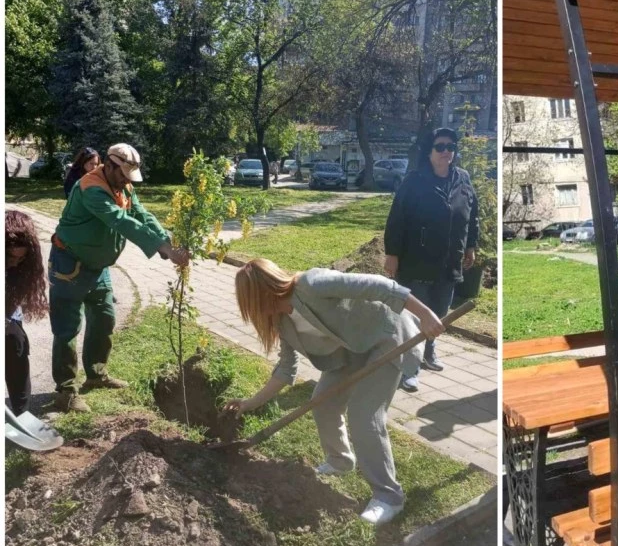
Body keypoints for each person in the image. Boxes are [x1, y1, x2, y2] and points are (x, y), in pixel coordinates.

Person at [224, 258, 445, 525]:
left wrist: (425, 314)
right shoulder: (282, 322)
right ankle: (340, 460)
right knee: (322, 402)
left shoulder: (311, 284)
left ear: (261, 295)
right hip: (349, 351)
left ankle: (389, 496)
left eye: (251, 304)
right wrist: (250, 403)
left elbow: (379, 286)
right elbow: (285, 370)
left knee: (365, 415)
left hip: (386, 337)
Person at [49, 143, 189, 412]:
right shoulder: (90, 187)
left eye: (129, 176)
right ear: (109, 165)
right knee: (67, 327)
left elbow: (141, 215)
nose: (127, 181)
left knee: (104, 318)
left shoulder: (123, 185)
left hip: (97, 266)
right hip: (69, 264)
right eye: (122, 174)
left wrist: (165, 242)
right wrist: (164, 249)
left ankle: (96, 375)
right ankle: (66, 390)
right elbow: (121, 221)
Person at [383, 128, 478, 393]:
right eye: (440, 146)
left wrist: (470, 246)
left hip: (450, 261)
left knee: (439, 313)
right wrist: (392, 254)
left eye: (451, 146)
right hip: (417, 260)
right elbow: (397, 218)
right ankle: (409, 368)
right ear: (429, 151)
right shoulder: (414, 180)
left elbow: (473, 215)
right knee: (415, 317)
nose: (447, 151)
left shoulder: (463, 178)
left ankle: (429, 352)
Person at [6, 211, 48, 416]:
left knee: (16, 343)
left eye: (20, 259)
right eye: (11, 257)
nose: (15, 263)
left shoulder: (23, 268)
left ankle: (22, 414)